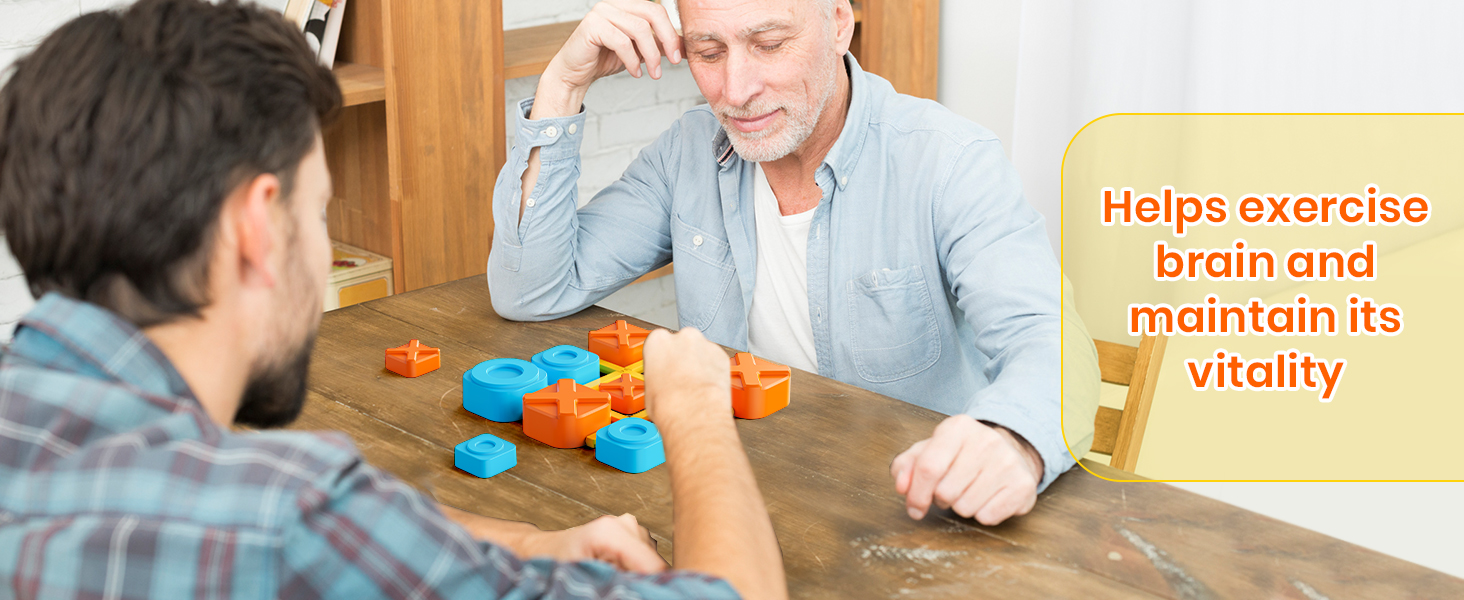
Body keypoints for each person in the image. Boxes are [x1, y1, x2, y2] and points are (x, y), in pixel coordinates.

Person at [0, 1, 785, 598]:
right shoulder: (292, 519)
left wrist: (521, 539)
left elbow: (216, 487)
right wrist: (696, 416)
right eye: (317, 212)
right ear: (254, 231)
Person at [488, 0, 1102, 526]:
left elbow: (1050, 343)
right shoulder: (687, 154)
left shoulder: (949, 162)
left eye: (770, 43)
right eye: (708, 52)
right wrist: (562, 87)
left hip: (906, 517)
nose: (737, 90)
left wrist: (1013, 442)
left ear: (839, 22)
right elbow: (532, 289)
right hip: (738, 501)